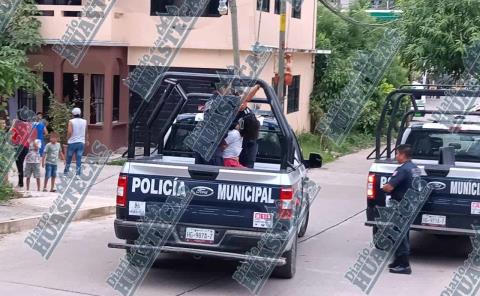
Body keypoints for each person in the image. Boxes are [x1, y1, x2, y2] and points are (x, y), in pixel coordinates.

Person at [382, 144, 421, 275]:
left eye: (397, 153)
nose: (396, 156)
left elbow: (389, 187)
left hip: (402, 206)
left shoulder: (403, 169)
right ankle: (398, 261)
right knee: (403, 233)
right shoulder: (414, 168)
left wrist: (384, 187)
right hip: (411, 204)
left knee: (400, 234)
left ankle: (404, 265)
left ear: (403, 155)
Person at [11, 115, 37, 188]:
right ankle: (21, 183)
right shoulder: (28, 125)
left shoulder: (16, 125)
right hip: (26, 147)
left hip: (18, 147)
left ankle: (20, 183)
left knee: (19, 165)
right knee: (21, 164)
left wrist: (13, 125)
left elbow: (12, 136)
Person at [64, 107, 87, 176]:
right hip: (81, 142)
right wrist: (86, 140)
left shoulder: (71, 121)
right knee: (79, 158)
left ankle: (66, 172)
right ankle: (78, 174)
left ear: (73, 114)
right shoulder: (84, 121)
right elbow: (86, 132)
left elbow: (69, 132)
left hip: (72, 142)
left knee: (69, 158)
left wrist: (67, 139)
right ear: (80, 114)